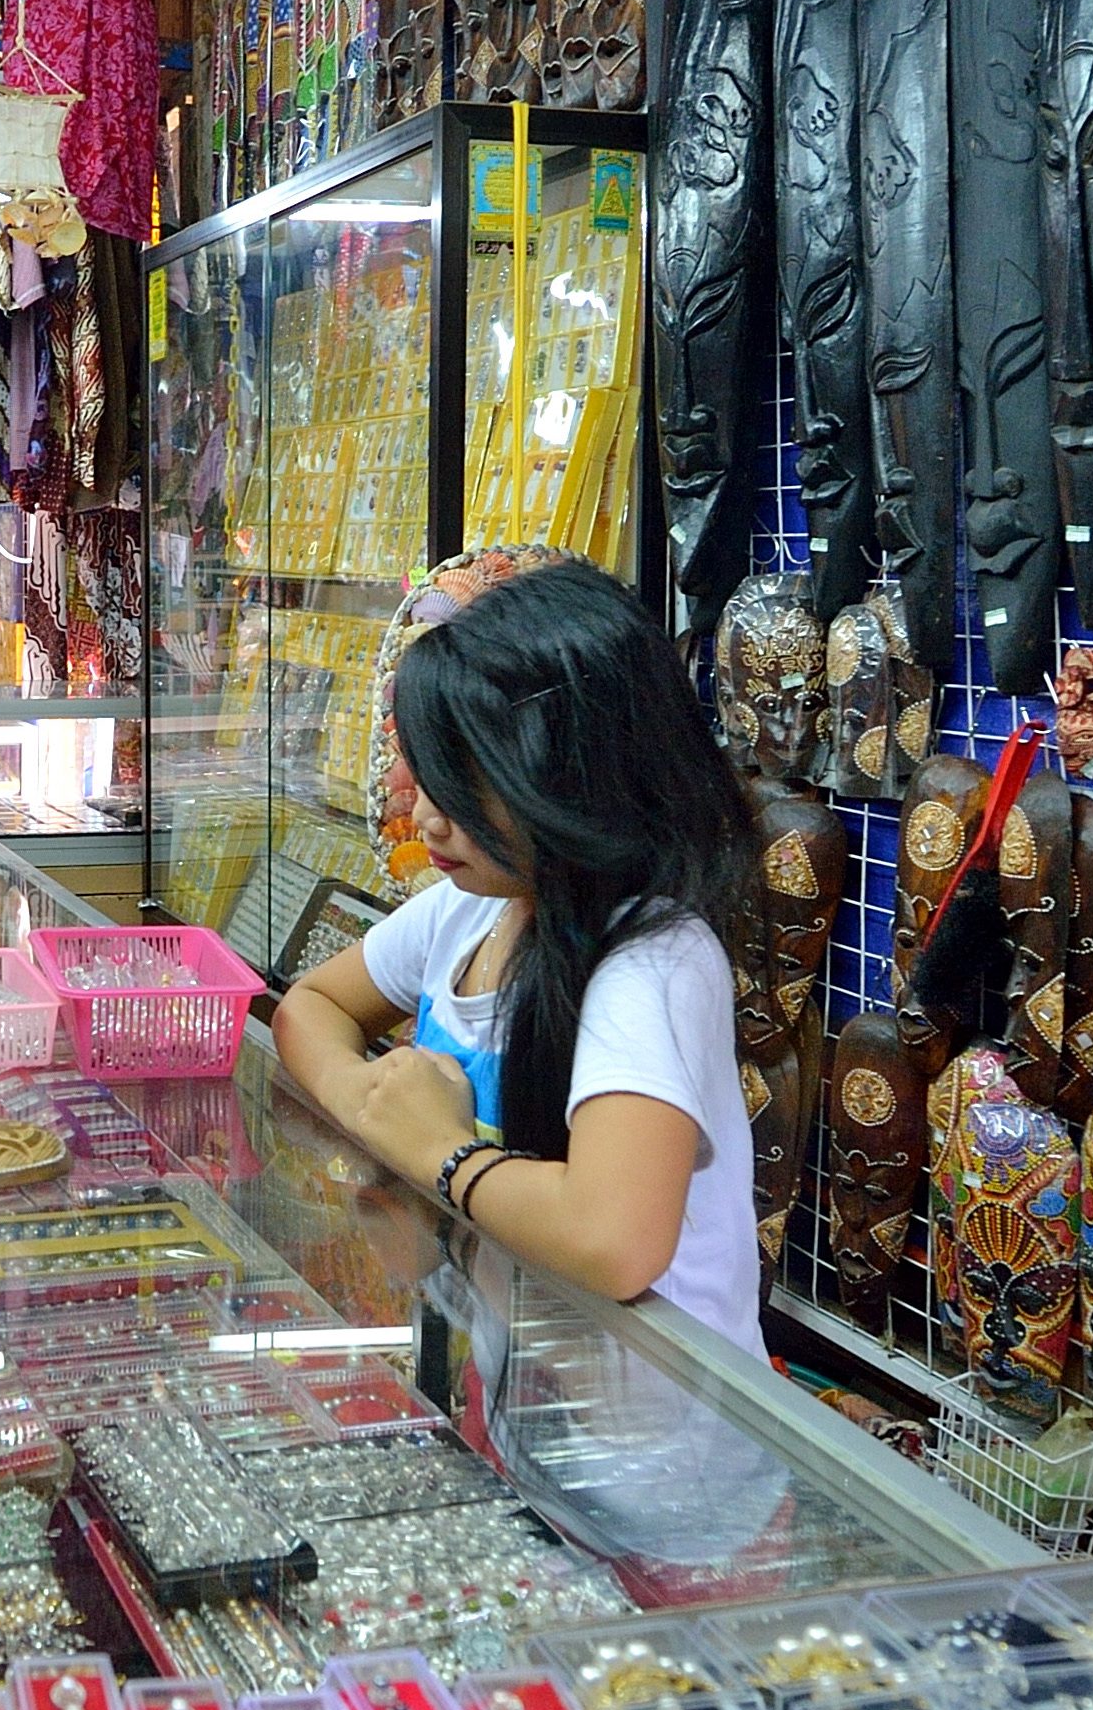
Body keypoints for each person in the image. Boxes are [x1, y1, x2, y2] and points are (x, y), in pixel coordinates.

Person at [270, 559, 769, 1355]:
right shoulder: (468, 910)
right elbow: (310, 1009)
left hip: (666, 1450)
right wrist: (374, 1104)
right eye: (431, 777)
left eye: (470, 785)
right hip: (534, 1400)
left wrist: (438, 1153)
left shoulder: (651, 963)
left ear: (576, 773)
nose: (429, 819)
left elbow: (612, 1241)